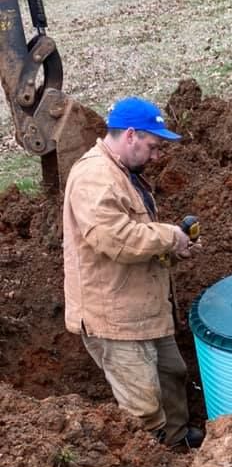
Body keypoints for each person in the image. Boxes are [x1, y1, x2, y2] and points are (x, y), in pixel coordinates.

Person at [63, 96, 203, 449]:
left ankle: (176, 441)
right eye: (153, 146)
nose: (157, 157)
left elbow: (138, 238)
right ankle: (153, 466)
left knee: (173, 373)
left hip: (143, 306)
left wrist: (173, 248)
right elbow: (116, 239)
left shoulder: (124, 173)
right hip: (114, 317)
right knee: (142, 408)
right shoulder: (94, 178)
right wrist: (170, 236)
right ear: (129, 135)